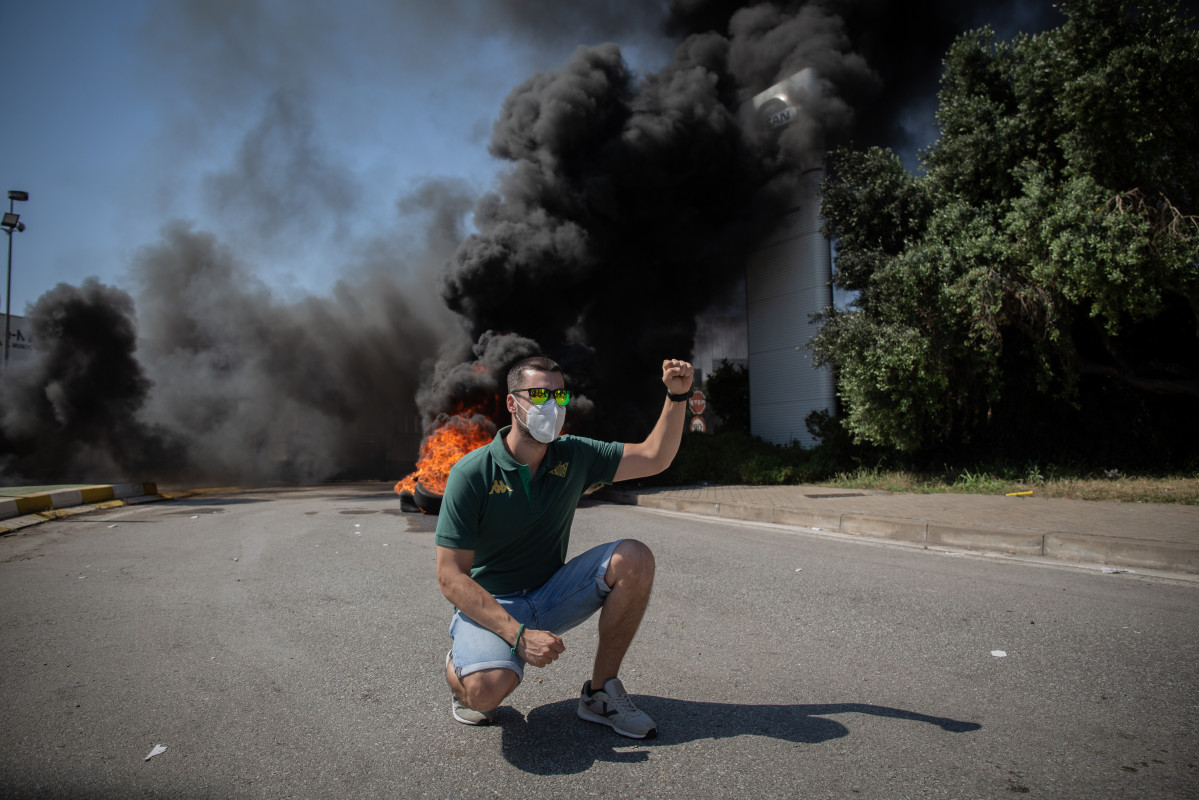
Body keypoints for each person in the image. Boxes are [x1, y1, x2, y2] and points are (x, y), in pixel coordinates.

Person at [435, 355, 694, 738]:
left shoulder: (574, 454)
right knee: (486, 693)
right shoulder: (472, 473)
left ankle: (600, 693)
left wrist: (678, 396)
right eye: (538, 394)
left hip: (550, 594)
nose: (551, 405)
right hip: (495, 604)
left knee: (634, 557)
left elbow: (656, 457)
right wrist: (518, 636)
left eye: (559, 395)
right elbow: (449, 576)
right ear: (512, 403)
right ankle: (463, 667)